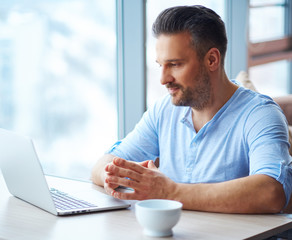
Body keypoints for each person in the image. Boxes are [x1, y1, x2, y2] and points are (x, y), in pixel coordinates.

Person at [91, 5, 292, 213]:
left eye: (175, 64)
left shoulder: (261, 115)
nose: (163, 79)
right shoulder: (163, 111)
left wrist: (169, 192)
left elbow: (271, 192)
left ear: (212, 59)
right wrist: (111, 176)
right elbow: (102, 164)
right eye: (161, 65)